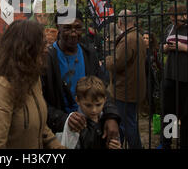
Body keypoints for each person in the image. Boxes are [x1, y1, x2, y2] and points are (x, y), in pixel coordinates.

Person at [41, 10, 121, 148]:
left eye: (78, 28)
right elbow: (40, 102)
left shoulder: (89, 55)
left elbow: (102, 90)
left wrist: (111, 116)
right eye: (67, 28)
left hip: (91, 133)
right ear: (58, 27)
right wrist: (65, 119)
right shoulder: (46, 59)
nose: (73, 33)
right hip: (60, 135)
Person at [0, 19, 64, 149]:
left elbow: (41, 127)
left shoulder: (34, 80)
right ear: (26, 48)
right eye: (42, 44)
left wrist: (56, 145)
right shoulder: (2, 86)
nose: (46, 49)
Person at [160, 5, 188, 149]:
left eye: (176, 17)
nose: (173, 20)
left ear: (185, 15)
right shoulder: (170, 28)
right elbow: (162, 47)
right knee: (169, 113)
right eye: (171, 17)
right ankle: (167, 142)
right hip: (170, 75)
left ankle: (185, 143)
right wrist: (166, 48)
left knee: (187, 114)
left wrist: (183, 47)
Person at [105, 10, 146, 149]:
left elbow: (117, 63)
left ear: (120, 22)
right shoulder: (137, 36)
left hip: (125, 88)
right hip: (133, 87)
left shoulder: (128, 39)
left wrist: (107, 60)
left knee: (127, 123)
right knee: (125, 122)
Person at [60, 76, 122, 149]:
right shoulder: (76, 123)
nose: (94, 110)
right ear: (77, 100)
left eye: (98, 104)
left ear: (105, 100)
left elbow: (117, 142)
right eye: (88, 105)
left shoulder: (108, 121)